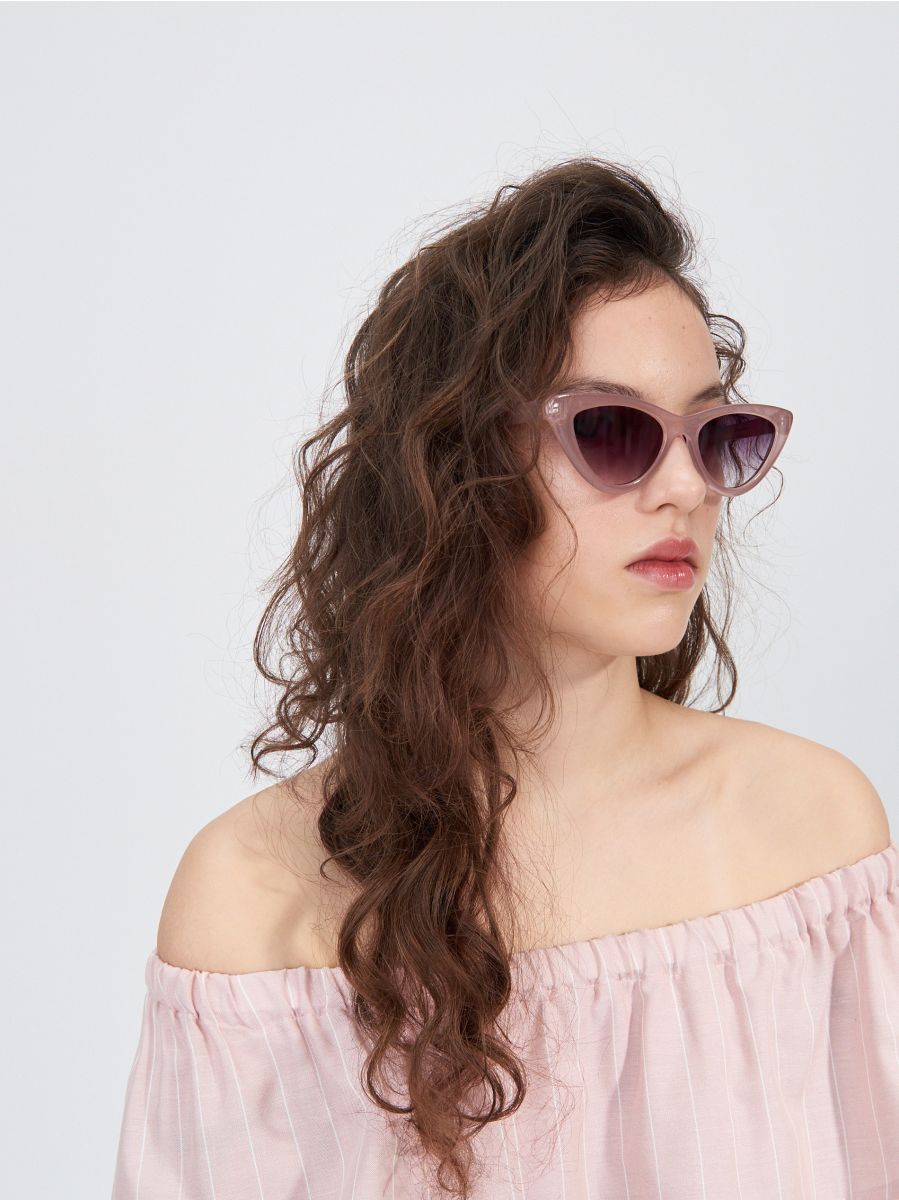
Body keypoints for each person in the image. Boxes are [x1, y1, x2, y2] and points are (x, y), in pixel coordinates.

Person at [110, 157, 897, 1200]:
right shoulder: (249, 903)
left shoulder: (811, 844)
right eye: (612, 431)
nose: (685, 487)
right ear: (455, 468)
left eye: (716, 436)